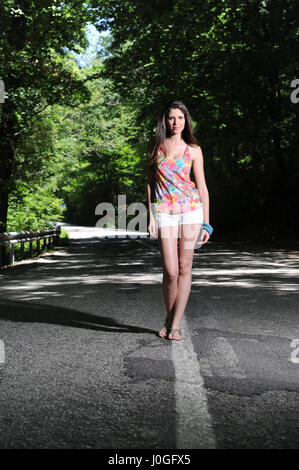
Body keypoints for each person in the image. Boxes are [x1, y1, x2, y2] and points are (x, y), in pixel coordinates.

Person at [146, 100, 213, 341]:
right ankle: (169, 316)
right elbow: (150, 183)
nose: (176, 122)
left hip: (191, 212)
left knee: (185, 268)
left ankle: (175, 324)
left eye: (181, 118)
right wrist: (152, 215)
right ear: (165, 121)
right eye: (172, 118)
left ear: (187, 121)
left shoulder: (193, 149)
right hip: (165, 212)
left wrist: (206, 222)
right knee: (171, 271)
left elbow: (202, 187)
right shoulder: (157, 147)